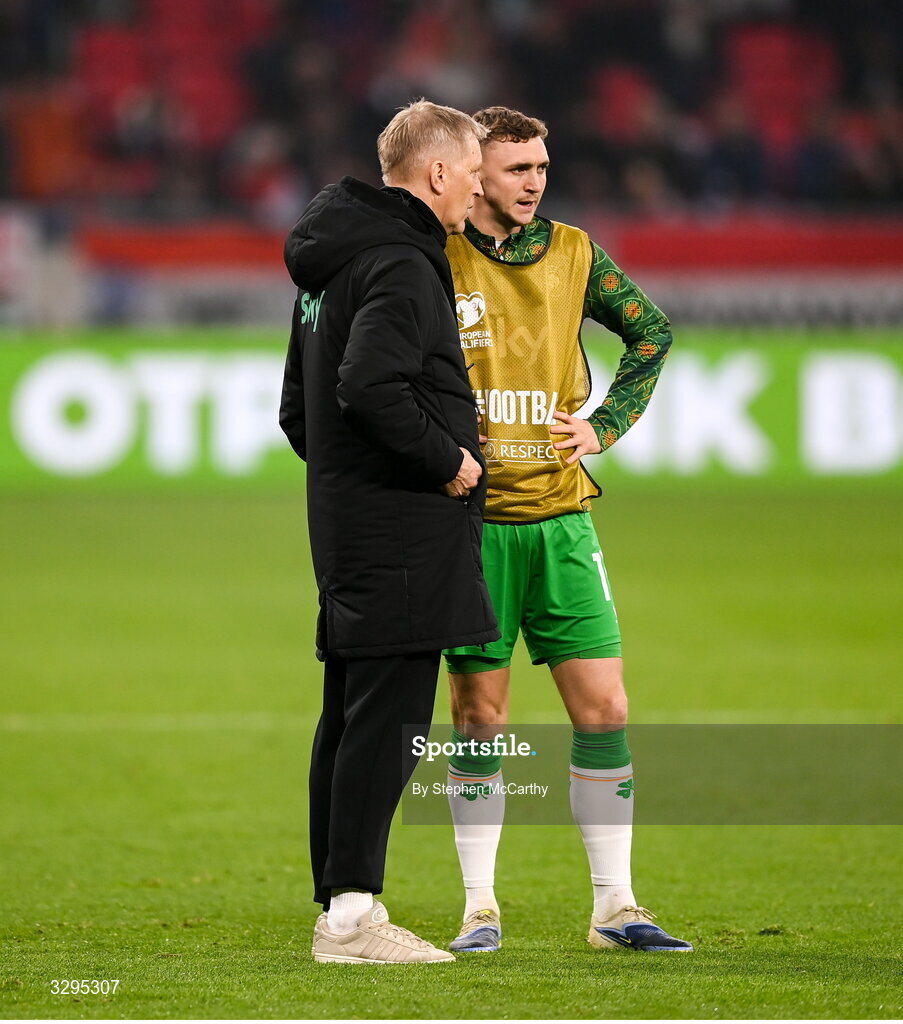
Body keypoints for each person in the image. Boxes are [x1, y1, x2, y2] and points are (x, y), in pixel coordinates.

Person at [443, 106, 693, 954]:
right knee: (480, 717)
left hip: (560, 518)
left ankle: (614, 907)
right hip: (470, 526)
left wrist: (607, 422)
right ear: (474, 174)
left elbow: (651, 333)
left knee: (605, 706)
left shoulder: (576, 253)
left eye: (541, 166)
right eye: (517, 169)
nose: (534, 182)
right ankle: (479, 907)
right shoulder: (432, 254)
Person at [279, 99, 499, 965]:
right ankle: (350, 921)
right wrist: (444, 462)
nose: (480, 188)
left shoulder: (330, 262)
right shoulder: (405, 263)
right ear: (437, 172)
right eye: (475, 173)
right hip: (402, 533)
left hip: (349, 528)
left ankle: (338, 898)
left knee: (348, 717)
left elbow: (300, 409)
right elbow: (369, 386)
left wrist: (346, 486)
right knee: (388, 720)